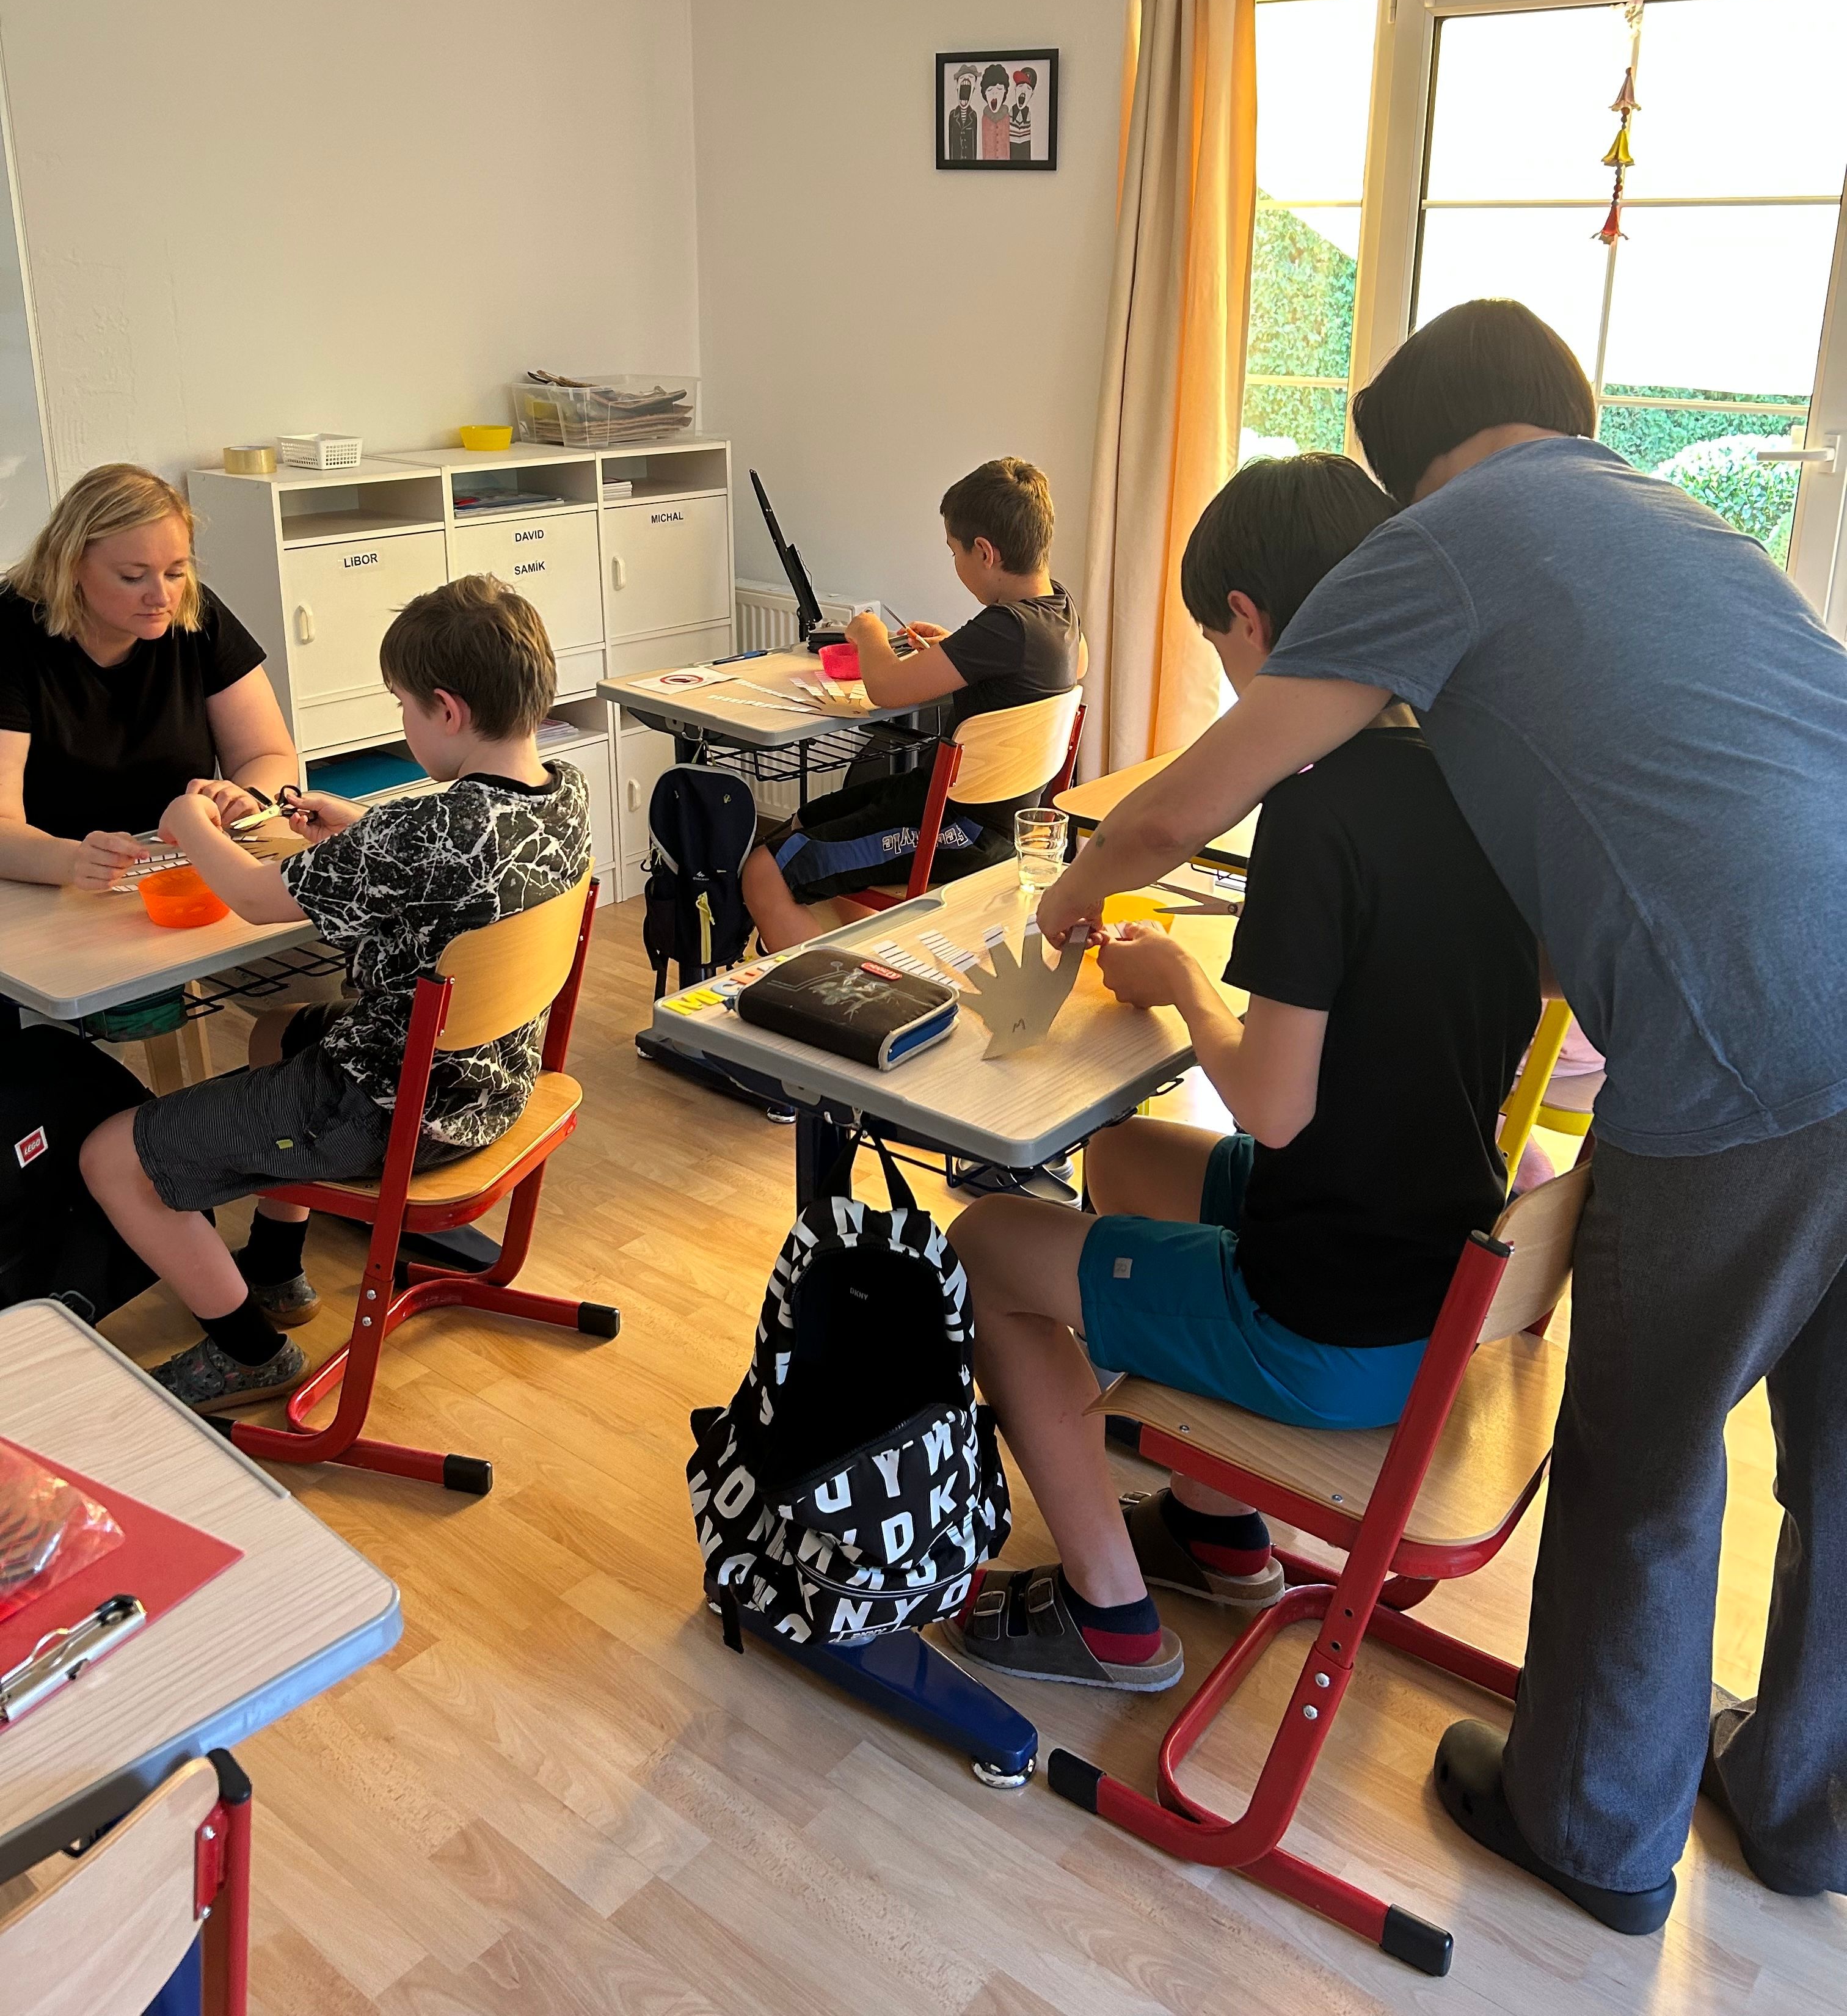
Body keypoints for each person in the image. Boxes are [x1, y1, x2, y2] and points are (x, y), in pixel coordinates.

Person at [1035, 298, 1847, 1933]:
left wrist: (1075, 895)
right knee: (1837, 1455)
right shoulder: (1676, 519)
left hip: (1747, 1046)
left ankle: (1592, 1827)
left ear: (1422, 465)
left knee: (1643, 1455)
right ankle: (1806, 1804)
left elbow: (1196, 795)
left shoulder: (1462, 528)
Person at [946, 453, 1538, 1693]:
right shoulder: (1479, 774)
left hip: (1328, 1328)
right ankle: (1215, 1529)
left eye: (1216, 642)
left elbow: (1272, 1106)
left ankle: (1106, 1613)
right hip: (1434, 1275)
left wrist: (1184, 984)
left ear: (1249, 619)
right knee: (1123, 1155)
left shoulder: (1314, 810)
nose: (1223, 665)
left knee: (985, 1245)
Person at [78, 575, 591, 1412]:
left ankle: (249, 1354)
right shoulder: (564, 795)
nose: (405, 723)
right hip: (495, 1085)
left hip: (390, 1109)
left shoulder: (419, 833)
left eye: (403, 707)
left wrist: (190, 824)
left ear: (447, 710)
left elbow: (254, 898)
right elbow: (459, 868)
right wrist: (358, 830)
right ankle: (275, 1268)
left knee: (110, 1157)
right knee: (277, 1031)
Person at [742, 458, 1085, 951]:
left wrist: (869, 633)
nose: (955, 563)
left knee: (765, 870)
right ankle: (873, 964)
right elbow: (1068, 665)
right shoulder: (1059, 608)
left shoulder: (1005, 627)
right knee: (806, 821)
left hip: (961, 830)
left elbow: (885, 688)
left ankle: (826, 990)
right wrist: (957, 655)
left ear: (985, 552)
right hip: (986, 816)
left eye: (954, 551)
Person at [0, 464, 297, 891]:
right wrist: (71, 862)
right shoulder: (10, 635)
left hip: (181, 866)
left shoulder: (196, 615)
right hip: (47, 885)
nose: (161, 597)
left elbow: (268, 755)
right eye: (132, 577)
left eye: (176, 572)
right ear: (71, 566)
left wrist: (246, 797)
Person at [947, 66, 980, 163]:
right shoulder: (953, 115)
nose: (966, 78)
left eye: (971, 77)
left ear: (973, 90)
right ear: (957, 87)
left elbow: (974, 143)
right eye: (962, 77)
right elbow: (951, 143)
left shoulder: (973, 116)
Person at [979, 63, 1011, 161]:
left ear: (1005, 91)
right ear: (985, 93)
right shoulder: (985, 118)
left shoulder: (1008, 117)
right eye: (990, 90)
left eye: (999, 89)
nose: (994, 92)